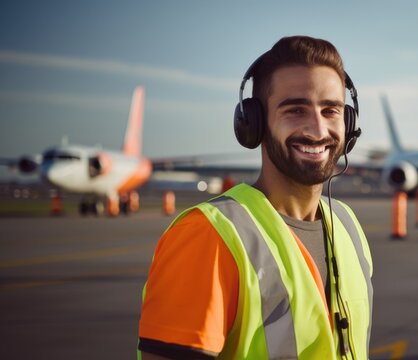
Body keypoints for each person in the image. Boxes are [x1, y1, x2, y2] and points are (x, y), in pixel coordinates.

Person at [138, 36, 373, 359]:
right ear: (254, 123)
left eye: (330, 110)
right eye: (295, 110)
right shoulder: (209, 235)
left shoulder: (347, 225)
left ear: (349, 123)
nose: (318, 129)